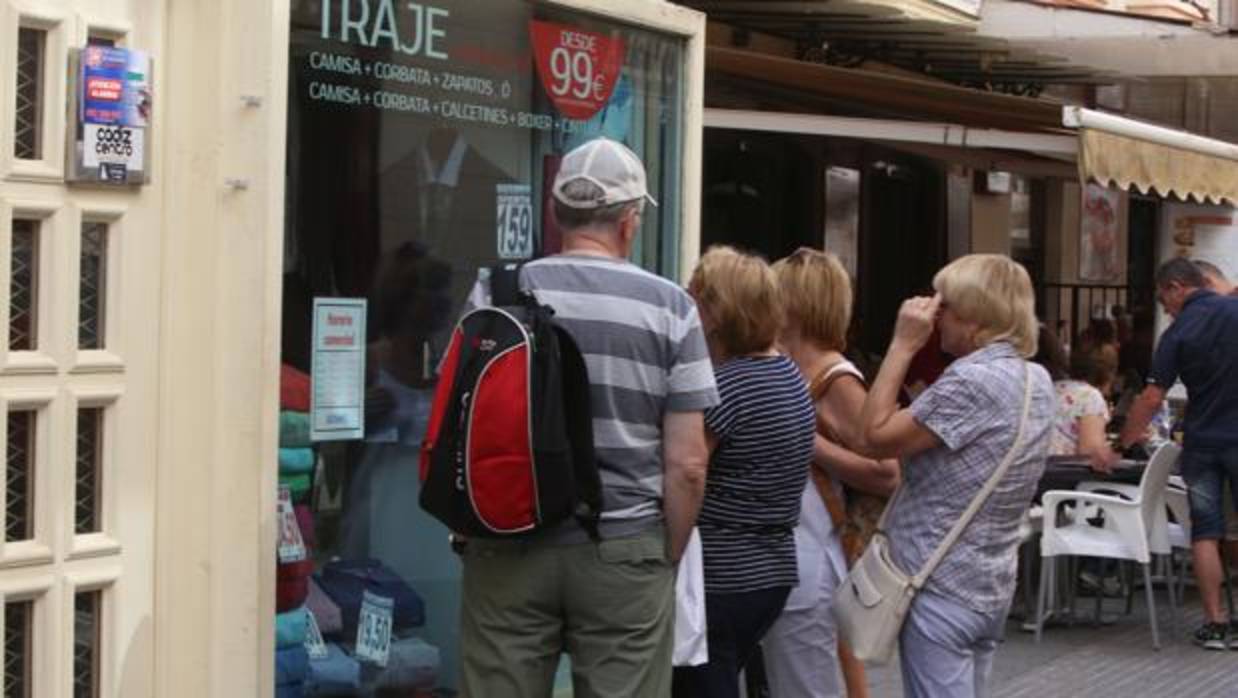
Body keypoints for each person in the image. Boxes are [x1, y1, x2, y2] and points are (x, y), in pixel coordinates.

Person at [456, 137, 717, 697]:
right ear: (630, 220)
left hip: (508, 542)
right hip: (624, 546)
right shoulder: (671, 307)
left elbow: (462, 422)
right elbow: (689, 463)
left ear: (555, 214)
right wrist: (664, 552)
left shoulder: (497, 290)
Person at [856, 254, 1054, 697]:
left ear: (974, 316)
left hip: (938, 581)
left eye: (944, 304)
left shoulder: (971, 382)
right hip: (992, 579)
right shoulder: (1036, 379)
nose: (934, 313)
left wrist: (902, 346)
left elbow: (871, 437)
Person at [670, 246, 815, 698]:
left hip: (721, 573)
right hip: (772, 569)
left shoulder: (726, 386)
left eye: (694, 294)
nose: (685, 301)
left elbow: (689, 465)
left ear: (715, 313)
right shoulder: (786, 375)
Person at [765, 248, 899, 698]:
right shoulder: (792, 368)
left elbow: (887, 471)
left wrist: (811, 444)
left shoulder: (835, 378)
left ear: (796, 305)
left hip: (821, 551)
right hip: (803, 549)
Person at [1119, 257, 1238, 651]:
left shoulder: (1177, 333)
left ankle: (1216, 623)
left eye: (1162, 299)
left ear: (1176, 287)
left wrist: (1125, 439)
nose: (1164, 308)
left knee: (1205, 529)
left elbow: (1153, 395)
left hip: (1203, 440)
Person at [1032, 326, 1119, 472]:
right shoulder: (1090, 397)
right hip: (1064, 477)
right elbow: (1090, 453)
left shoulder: (1048, 388)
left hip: (1035, 472)